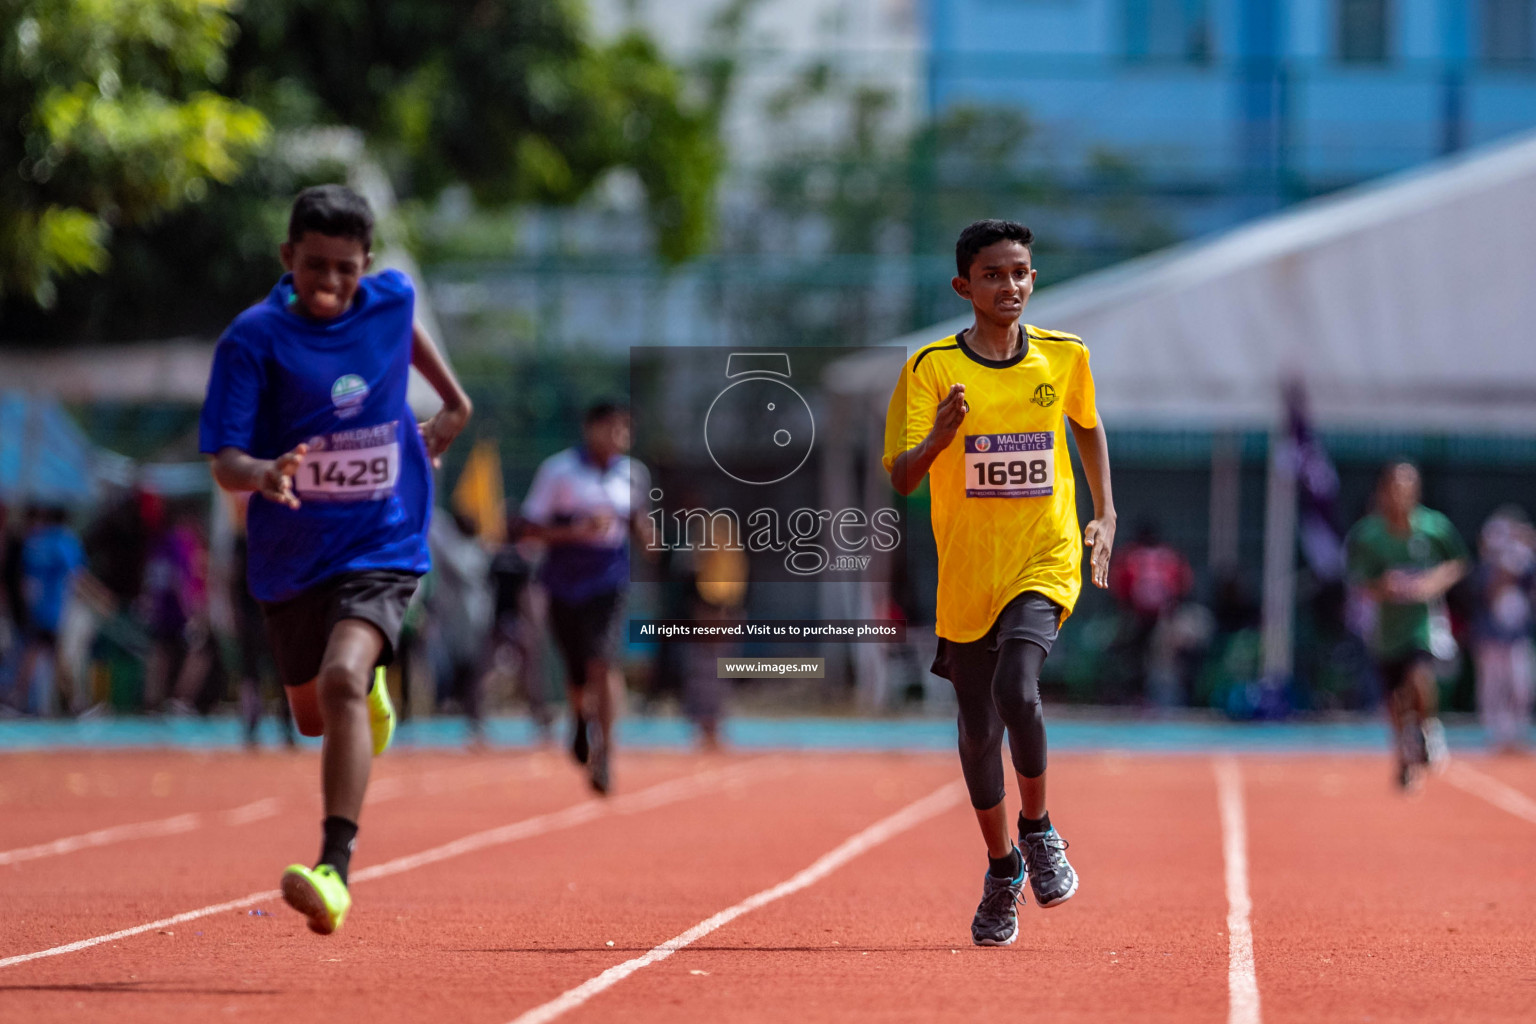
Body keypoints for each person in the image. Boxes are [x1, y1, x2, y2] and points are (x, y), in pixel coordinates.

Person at [200, 184, 471, 935]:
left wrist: (454, 403)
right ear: (288, 258)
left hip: (384, 538)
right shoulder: (252, 340)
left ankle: (334, 870)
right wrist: (261, 474)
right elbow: (224, 458)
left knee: (344, 677)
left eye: (345, 270)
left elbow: (405, 319)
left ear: (367, 265)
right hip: (290, 550)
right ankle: (362, 695)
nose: (330, 284)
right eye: (315, 266)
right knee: (314, 713)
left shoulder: (387, 300)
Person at [883, 219, 1116, 947]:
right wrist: (940, 440)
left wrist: (1105, 513)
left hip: (1043, 556)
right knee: (979, 728)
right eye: (993, 275)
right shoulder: (928, 368)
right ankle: (1001, 867)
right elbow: (901, 475)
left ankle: (1040, 829)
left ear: (1033, 279)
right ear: (965, 287)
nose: (1008, 286)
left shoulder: (1064, 356)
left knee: (1021, 686)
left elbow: (1087, 426)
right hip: (968, 573)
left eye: (1019, 273)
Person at [521, 402, 650, 794]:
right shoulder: (558, 471)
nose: (621, 437)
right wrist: (577, 530)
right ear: (591, 428)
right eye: (613, 428)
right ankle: (579, 718)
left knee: (603, 661)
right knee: (577, 667)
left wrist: (648, 537)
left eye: (626, 429)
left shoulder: (632, 474)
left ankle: (606, 754)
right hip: (563, 580)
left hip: (609, 580)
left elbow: (641, 525)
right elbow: (528, 530)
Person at [1345, 460, 1468, 790]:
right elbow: (1359, 580)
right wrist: (1383, 586)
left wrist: (1431, 583)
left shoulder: (1433, 527)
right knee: (1396, 700)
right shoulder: (1369, 535)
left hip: (1422, 624)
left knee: (1419, 675)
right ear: (1384, 491)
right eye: (1395, 487)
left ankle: (1429, 728)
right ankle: (1404, 756)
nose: (1401, 494)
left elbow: (1457, 563)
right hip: (1385, 628)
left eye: (1407, 487)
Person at [1471, 507, 1535, 754]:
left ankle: (1517, 732)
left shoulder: (1526, 568)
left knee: (1521, 686)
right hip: (1490, 638)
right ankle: (1495, 733)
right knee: (1492, 686)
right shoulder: (1486, 569)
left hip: (1516, 637)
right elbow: (1487, 592)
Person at [15, 506, 85, 715]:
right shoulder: (63, 541)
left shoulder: (34, 543)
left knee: (36, 653)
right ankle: (75, 703)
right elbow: (77, 575)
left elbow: (25, 582)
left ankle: (16, 700)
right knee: (52, 655)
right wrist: (101, 600)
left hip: (37, 608)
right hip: (54, 609)